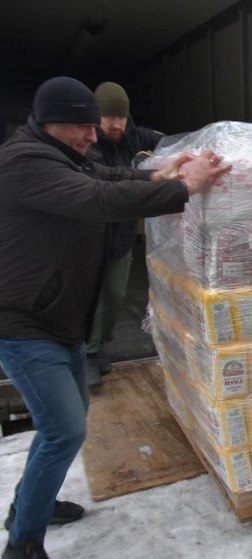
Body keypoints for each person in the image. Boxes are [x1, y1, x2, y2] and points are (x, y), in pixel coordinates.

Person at [0, 76, 231, 559]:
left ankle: (27, 506)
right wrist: (184, 188)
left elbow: (108, 178)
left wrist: (162, 173)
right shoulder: (24, 162)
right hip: (24, 323)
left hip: (60, 317)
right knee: (64, 428)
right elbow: (97, 200)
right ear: (49, 122)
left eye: (93, 124)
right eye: (81, 126)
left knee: (65, 421)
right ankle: (22, 543)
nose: (92, 135)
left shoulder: (63, 156)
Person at [84, 81, 164, 388]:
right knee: (93, 296)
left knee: (115, 296)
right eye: (109, 117)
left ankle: (100, 345)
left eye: (121, 117)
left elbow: (169, 144)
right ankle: (88, 354)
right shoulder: (88, 144)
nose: (116, 124)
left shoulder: (137, 136)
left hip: (121, 236)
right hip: (90, 236)